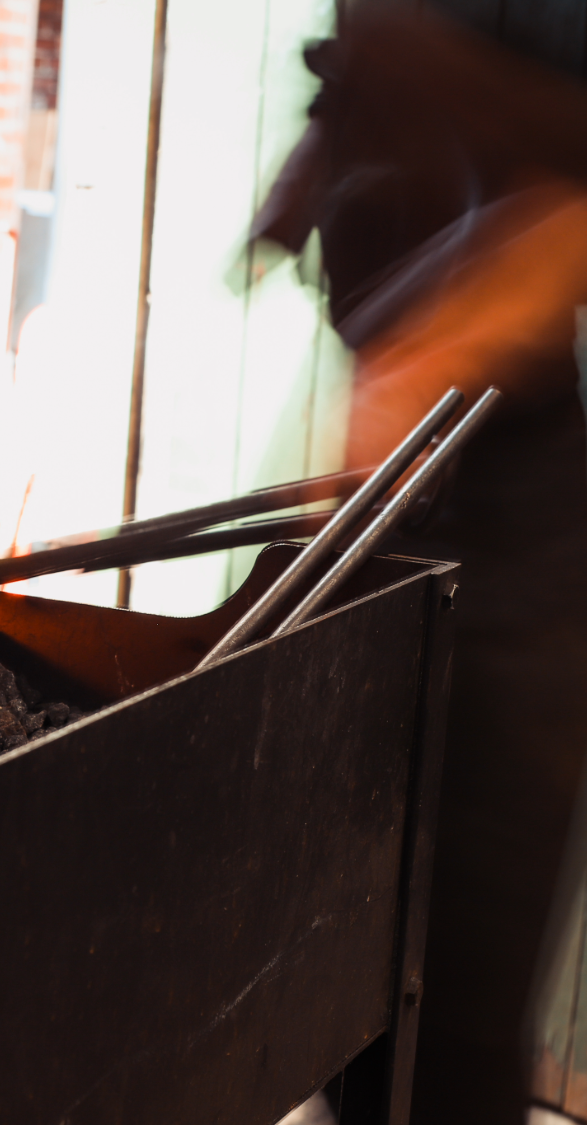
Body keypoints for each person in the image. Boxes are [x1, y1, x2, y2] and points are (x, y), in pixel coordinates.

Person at [253, 7, 587, 1121]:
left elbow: (569, 214)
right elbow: (370, 66)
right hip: (388, 477)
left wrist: (435, 353)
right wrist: (312, 170)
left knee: (451, 995)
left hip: (508, 517)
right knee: (320, 958)